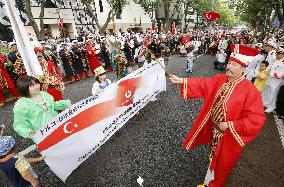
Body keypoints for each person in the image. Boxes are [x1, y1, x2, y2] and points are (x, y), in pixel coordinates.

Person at [169, 52, 266, 186]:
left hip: (229, 136)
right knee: (214, 157)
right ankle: (210, 180)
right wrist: (182, 80)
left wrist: (231, 125)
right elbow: (203, 84)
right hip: (215, 130)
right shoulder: (220, 80)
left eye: (234, 64)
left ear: (244, 68)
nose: (229, 67)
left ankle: (215, 184)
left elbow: (256, 119)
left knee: (223, 164)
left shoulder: (250, 90)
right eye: (229, 63)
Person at [13, 75, 71, 140]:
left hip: (57, 125)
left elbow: (53, 105)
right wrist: (29, 133)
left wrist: (65, 103)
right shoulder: (21, 105)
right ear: (23, 88)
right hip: (43, 135)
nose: (36, 87)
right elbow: (19, 124)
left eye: (36, 83)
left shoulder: (44, 94)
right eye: (31, 86)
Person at [262, 47, 284, 113]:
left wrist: (270, 74)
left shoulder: (283, 62)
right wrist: (266, 71)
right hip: (270, 80)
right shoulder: (276, 60)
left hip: (276, 82)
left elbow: (281, 74)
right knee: (267, 92)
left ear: (282, 54)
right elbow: (271, 68)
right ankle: (266, 103)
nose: (276, 55)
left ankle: (272, 106)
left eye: (277, 54)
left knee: (273, 94)